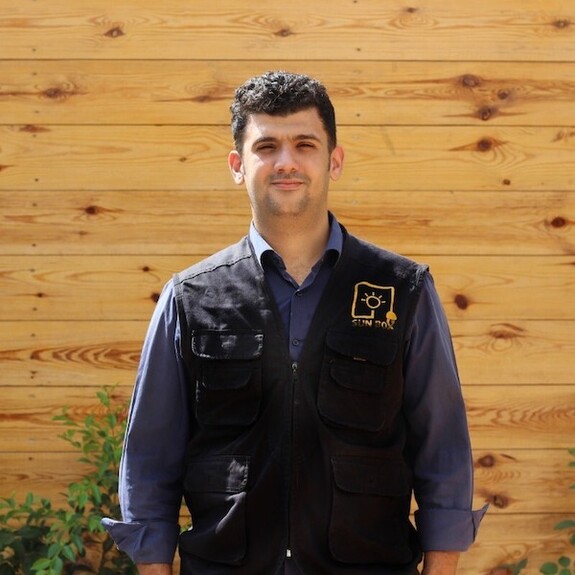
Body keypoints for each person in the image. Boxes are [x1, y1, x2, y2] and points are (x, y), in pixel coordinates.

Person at [103, 71, 487, 575]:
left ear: (335, 159)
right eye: (267, 146)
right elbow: (151, 455)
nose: (287, 162)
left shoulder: (402, 289)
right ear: (238, 166)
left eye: (305, 143)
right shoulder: (190, 298)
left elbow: (442, 445)